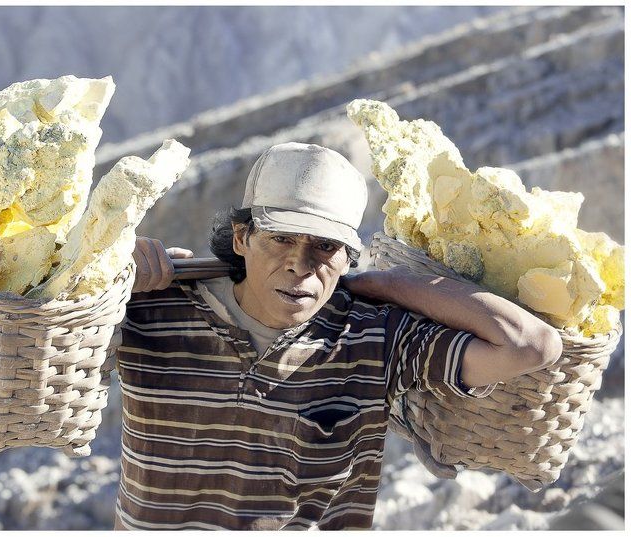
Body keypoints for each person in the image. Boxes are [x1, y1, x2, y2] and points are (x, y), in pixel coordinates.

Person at [113, 142, 562, 530]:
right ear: (241, 237)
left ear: (349, 258)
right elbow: (46, 320)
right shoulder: (154, 307)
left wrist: (394, 284)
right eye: (281, 239)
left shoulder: (372, 337)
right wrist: (104, 268)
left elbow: (531, 345)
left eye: (325, 247)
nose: (299, 264)